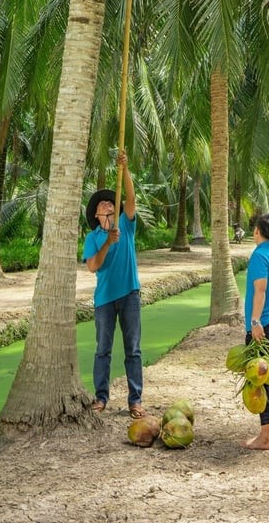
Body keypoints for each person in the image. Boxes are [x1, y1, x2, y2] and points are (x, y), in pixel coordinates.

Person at [83, 151, 146, 419]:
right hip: (105, 299)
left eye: (111, 203)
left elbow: (131, 199)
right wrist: (109, 241)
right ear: (97, 215)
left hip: (130, 294)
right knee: (102, 350)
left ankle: (135, 400)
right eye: (103, 205)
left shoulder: (126, 225)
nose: (108, 205)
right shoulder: (94, 237)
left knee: (133, 349)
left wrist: (125, 169)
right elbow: (93, 266)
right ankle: (101, 397)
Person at [242, 213, 269, 450]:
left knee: (260, 381)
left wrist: (255, 322)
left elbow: (260, 290)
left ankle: (266, 436)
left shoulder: (259, 255)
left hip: (262, 325)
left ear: (257, 231)